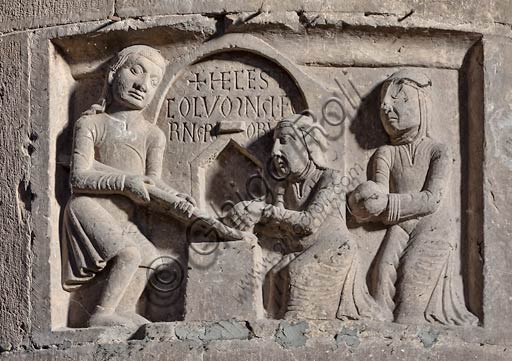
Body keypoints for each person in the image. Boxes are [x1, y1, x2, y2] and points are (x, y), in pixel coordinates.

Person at [61, 45, 243, 328]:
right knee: (129, 254)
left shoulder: (152, 135)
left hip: (123, 215)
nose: (142, 85)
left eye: (153, 81)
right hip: (88, 207)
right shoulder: (91, 124)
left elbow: (152, 184)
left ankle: (122, 310)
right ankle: (100, 313)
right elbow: (79, 178)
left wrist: (176, 198)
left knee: (148, 258)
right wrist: (125, 182)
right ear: (111, 74)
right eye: (135, 71)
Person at [348, 69, 478, 326]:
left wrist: (386, 204)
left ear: (422, 104)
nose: (386, 107)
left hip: (434, 227)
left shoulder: (438, 151)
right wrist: (362, 205)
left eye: (400, 99)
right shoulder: (385, 154)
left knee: (411, 287)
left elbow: (431, 200)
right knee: (381, 275)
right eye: (384, 103)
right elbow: (380, 193)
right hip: (401, 226)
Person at [223, 114, 383, 320]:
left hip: (335, 248)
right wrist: (250, 219)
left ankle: (298, 326)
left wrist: (261, 211)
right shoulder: (285, 187)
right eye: (274, 144)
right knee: (275, 274)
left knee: (297, 271)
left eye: (284, 141)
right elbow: (282, 226)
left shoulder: (331, 178)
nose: (275, 151)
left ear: (308, 145)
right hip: (304, 249)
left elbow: (309, 222)